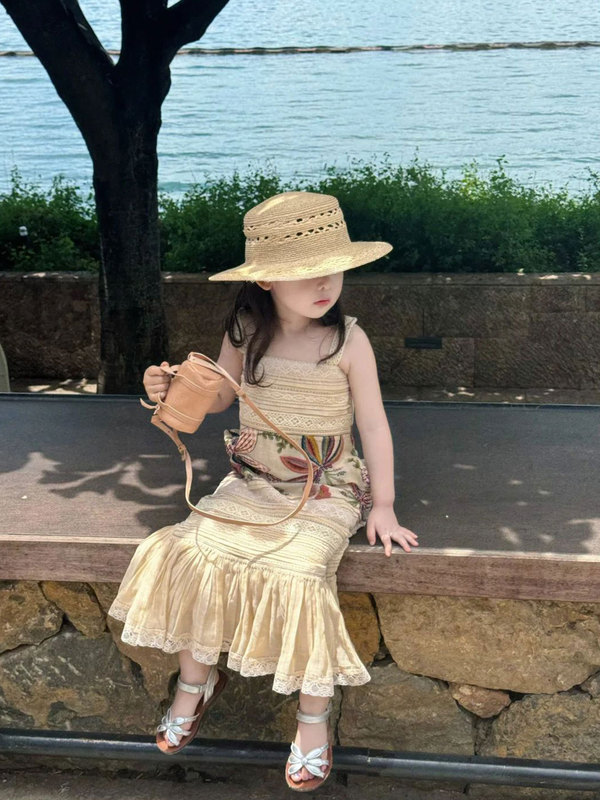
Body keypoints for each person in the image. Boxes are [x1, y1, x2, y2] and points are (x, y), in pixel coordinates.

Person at [107, 190, 419, 791]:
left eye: (333, 269)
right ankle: (195, 683)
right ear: (266, 280)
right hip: (254, 479)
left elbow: (374, 424)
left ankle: (313, 718)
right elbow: (220, 396)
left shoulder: (347, 341)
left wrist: (382, 504)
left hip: (326, 487)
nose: (325, 283)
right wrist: (169, 386)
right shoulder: (245, 331)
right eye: (306, 272)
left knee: (301, 572)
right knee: (192, 549)